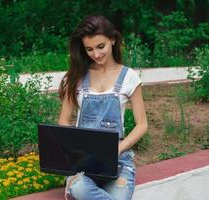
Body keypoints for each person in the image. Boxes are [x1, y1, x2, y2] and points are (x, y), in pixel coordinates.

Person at [58, 15, 148, 200]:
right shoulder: (76, 76)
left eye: (101, 47)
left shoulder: (129, 77)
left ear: (112, 40)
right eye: (89, 49)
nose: (96, 54)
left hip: (118, 159)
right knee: (81, 189)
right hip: (82, 161)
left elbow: (142, 125)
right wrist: (74, 152)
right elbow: (64, 121)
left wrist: (118, 148)